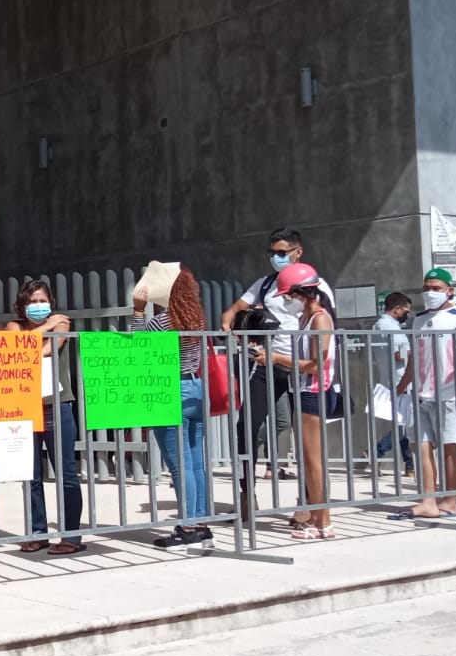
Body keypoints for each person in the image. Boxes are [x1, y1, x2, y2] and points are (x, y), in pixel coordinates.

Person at [219, 229, 336, 518]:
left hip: (304, 369)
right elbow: (234, 308)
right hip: (265, 364)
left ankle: (310, 505)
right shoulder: (266, 284)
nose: (276, 258)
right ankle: (247, 494)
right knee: (247, 426)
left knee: (307, 439)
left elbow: (326, 333)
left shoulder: (317, 288)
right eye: (272, 253)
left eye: (282, 253)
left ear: (298, 252)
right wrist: (229, 321)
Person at [254, 264, 338, 539]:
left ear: (302, 292)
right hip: (301, 391)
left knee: (313, 461)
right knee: (307, 460)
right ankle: (317, 517)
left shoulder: (320, 319)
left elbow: (316, 365)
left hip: (312, 391)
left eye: (288, 295)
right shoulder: (307, 319)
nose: (286, 301)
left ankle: (322, 521)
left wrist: (277, 359)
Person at [133, 268, 214, 552]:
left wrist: (138, 312)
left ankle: (188, 527)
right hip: (195, 386)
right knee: (196, 461)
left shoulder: (163, 322)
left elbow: (140, 348)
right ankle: (202, 523)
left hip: (171, 391)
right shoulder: (196, 319)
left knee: (180, 466)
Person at [6, 280, 84, 556]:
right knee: (29, 474)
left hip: (56, 404)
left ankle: (71, 535)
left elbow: (52, 348)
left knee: (66, 474)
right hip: (23, 406)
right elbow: (13, 348)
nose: (38, 306)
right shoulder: (14, 326)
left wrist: (48, 330)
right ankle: (37, 532)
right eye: (32, 301)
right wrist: (45, 328)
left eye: (42, 301)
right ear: (22, 304)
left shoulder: (62, 322)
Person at [391, 269, 456, 519]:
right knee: (422, 447)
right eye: (426, 288)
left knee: (451, 448)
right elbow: (415, 357)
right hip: (422, 393)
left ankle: (451, 499)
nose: (430, 293)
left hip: (450, 392)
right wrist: (402, 385)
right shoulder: (419, 320)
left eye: (436, 288)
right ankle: (429, 499)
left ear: (449, 290)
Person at [372, 292, 414, 476]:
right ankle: (377, 451)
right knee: (403, 424)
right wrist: (415, 353)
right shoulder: (392, 328)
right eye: (406, 311)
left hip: (389, 379)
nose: (407, 314)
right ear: (397, 309)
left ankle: (409, 464)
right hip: (400, 380)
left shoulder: (377, 326)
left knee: (403, 423)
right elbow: (400, 354)